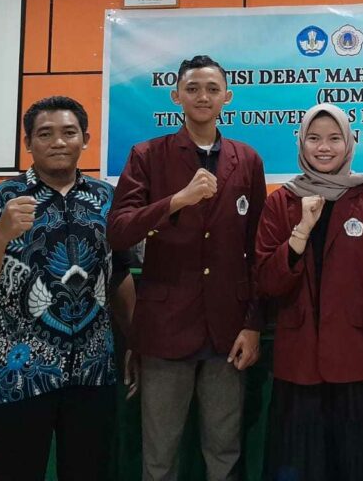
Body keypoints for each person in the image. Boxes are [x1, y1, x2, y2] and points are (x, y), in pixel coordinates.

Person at [0, 96, 137, 481]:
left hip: (92, 371)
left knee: (89, 472)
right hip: (19, 373)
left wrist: (136, 340)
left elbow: (120, 274)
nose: (58, 142)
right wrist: (1, 233)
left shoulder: (107, 199)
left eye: (69, 132)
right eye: (45, 134)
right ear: (28, 142)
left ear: (85, 139)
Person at [107, 55, 265, 481]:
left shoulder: (247, 159)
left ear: (227, 97)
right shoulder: (147, 155)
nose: (203, 97)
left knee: (225, 451)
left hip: (227, 329)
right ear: (176, 96)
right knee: (159, 456)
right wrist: (176, 201)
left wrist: (253, 324)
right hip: (165, 326)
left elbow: (258, 249)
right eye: (192, 88)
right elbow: (118, 232)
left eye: (212, 89)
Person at [256, 104, 363, 481]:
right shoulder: (281, 202)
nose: (324, 147)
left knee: (361, 467)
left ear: (349, 143)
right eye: (314, 138)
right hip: (299, 367)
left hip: (358, 363)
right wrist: (301, 231)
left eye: (334, 138)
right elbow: (268, 282)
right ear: (301, 143)